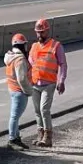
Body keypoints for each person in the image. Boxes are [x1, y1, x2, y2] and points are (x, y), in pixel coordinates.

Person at [28, 18, 67, 148]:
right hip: (35, 83)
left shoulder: (56, 46)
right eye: (38, 32)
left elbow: (63, 64)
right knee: (37, 111)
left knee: (44, 109)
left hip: (49, 83)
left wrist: (61, 80)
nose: (40, 35)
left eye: (42, 32)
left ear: (47, 31)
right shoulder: (34, 46)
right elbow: (30, 64)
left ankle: (48, 137)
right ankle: (40, 134)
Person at [4, 33, 33, 150]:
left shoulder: (10, 57)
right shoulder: (19, 59)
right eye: (25, 45)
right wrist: (28, 91)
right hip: (19, 91)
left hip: (12, 89)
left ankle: (16, 138)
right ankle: (12, 140)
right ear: (22, 46)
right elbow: (22, 78)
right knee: (15, 116)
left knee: (15, 116)